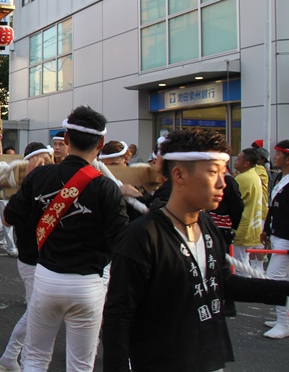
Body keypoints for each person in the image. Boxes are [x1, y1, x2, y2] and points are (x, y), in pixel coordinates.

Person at [103, 129, 289, 371]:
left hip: (207, 355)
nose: (222, 183)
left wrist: (283, 289)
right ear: (179, 174)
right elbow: (118, 316)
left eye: (223, 172)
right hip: (162, 361)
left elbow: (222, 282)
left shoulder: (206, 224)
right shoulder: (142, 237)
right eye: (212, 173)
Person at [3, 106, 129, 371]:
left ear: (67, 139)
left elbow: (9, 217)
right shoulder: (106, 187)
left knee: (35, 358)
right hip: (88, 285)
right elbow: (122, 241)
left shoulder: (39, 176)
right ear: (101, 143)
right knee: (81, 364)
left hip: (46, 278)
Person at [0, 142, 55, 372]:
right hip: (31, 258)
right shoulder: (23, 187)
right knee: (37, 312)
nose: (45, 165)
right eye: (40, 161)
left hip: (49, 259)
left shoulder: (56, 183)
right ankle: (16, 357)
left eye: (48, 160)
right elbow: (7, 219)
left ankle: (13, 357)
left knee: (38, 311)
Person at [261, 139, 289, 339]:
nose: (275, 157)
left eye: (279, 154)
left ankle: (284, 323)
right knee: (283, 279)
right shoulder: (280, 177)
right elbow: (273, 208)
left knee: (275, 278)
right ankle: (284, 319)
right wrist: (266, 229)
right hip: (278, 234)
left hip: (287, 238)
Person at [233, 148, 264, 276]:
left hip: (242, 225)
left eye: (239, 158)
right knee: (243, 262)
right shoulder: (253, 175)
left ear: (246, 163)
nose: (235, 160)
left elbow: (231, 199)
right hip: (251, 224)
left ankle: (245, 286)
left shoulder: (243, 178)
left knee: (240, 264)